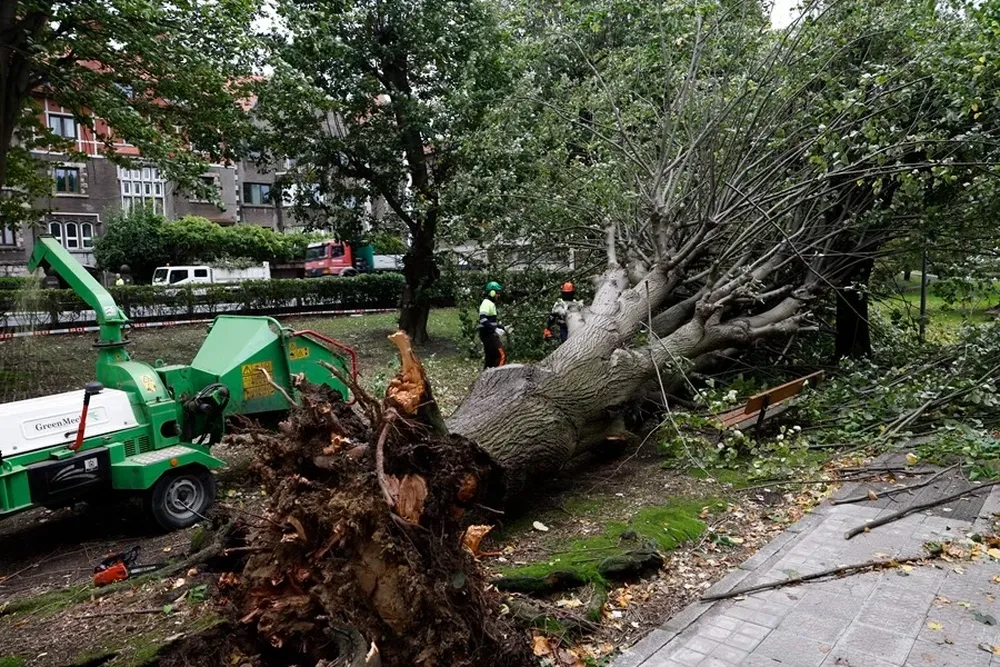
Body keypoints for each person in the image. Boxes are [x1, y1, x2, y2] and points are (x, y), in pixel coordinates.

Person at [478, 280, 507, 368]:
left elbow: (491, 322)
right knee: (501, 355)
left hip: (488, 333)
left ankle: (485, 378)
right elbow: (483, 320)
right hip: (488, 334)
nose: (499, 295)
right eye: (497, 293)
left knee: (490, 359)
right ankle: (496, 377)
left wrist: (503, 327)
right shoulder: (486, 303)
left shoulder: (490, 304)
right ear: (492, 292)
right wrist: (495, 329)